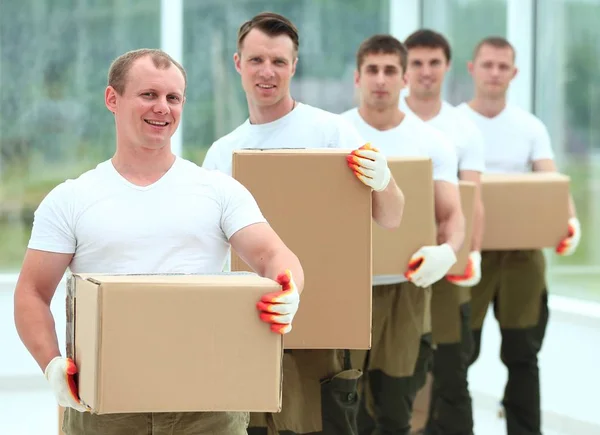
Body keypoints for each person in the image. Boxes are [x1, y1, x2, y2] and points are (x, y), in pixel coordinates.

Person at [13, 48, 305, 435]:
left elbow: (273, 255)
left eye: (173, 98)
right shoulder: (72, 198)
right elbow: (32, 292)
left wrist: (290, 289)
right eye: (148, 95)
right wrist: (51, 364)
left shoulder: (217, 190)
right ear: (112, 99)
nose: (162, 108)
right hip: (103, 407)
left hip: (209, 406)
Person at [202, 12, 405, 435]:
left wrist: (383, 181)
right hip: (252, 324)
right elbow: (211, 253)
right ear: (237, 63)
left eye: (279, 61)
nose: (267, 72)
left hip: (324, 326)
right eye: (257, 60)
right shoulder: (223, 153)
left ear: (294, 66)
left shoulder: (331, 132)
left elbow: (392, 216)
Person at [340, 34, 465, 435]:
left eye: (390, 70)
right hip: (347, 287)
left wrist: (448, 251)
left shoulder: (431, 142)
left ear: (405, 78)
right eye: (372, 70)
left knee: (396, 408)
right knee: (344, 407)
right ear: (357, 77)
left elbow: (452, 215)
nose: (381, 79)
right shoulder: (334, 134)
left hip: (406, 288)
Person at [457, 36, 581, 435]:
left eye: (503, 66)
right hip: (469, 253)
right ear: (471, 69)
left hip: (522, 258)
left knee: (523, 355)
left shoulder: (530, 127)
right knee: (456, 353)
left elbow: (552, 181)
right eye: (487, 64)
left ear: (514, 73)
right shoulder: (454, 123)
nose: (495, 73)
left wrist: (570, 222)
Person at [399, 29, 486, 435]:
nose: (425, 71)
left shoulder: (464, 129)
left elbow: (472, 200)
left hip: (448, 263)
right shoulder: (383, 119)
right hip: (396, 267)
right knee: (402, 375)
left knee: (452, 371)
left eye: (434, 62)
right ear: (404, 69)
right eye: (416, 62)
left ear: (447, 66)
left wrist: (474, 253)